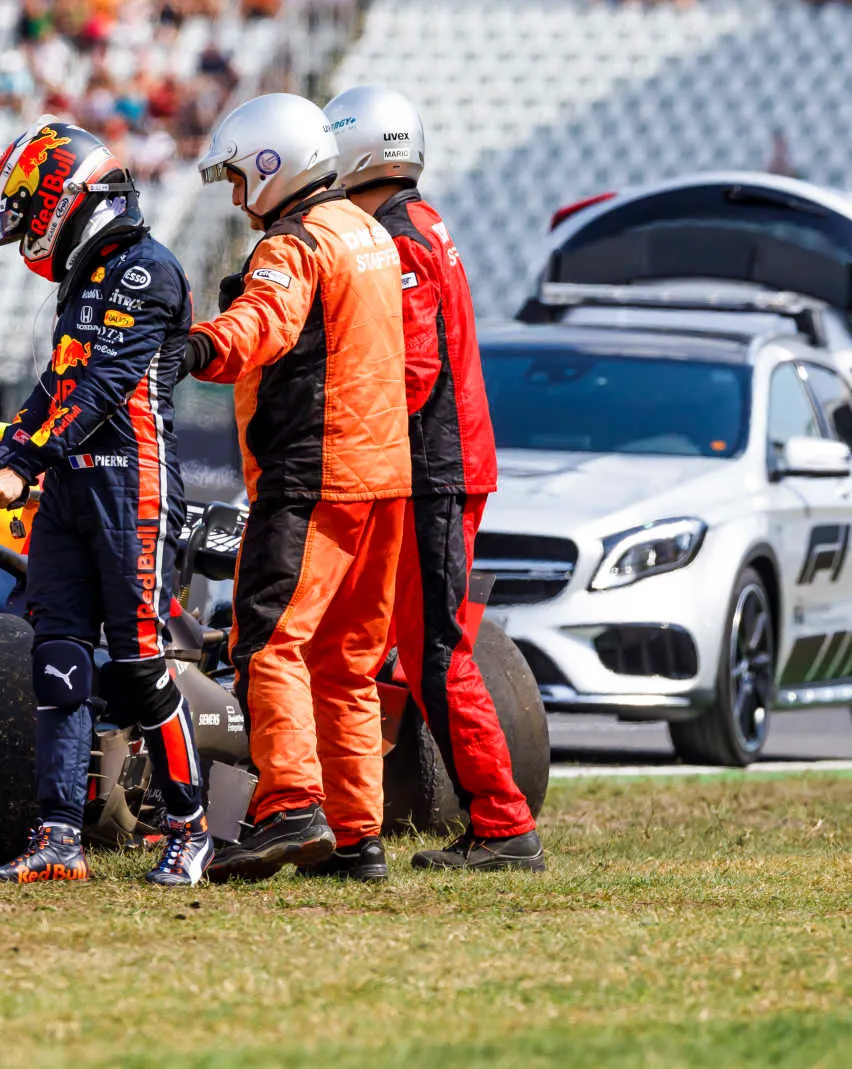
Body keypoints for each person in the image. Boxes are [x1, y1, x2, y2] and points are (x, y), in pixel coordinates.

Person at [0, 118, 208, 886]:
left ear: (64, 198)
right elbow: (58, 384)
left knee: (139, 665)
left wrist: (25, 465)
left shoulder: (147, 269)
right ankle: (57, 837)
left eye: (29, 213)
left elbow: (103, 388)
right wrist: (6, 458)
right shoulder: (87, 277)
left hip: (132, 487)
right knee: (58, 662)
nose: (27, 234)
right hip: (71, 487)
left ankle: (191, 828)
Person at [183, 93, 410, 883]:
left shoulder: (295, 241)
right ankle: (356, 836)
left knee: (267, 641)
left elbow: (265, 325)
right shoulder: (367, 231)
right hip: (385, 474)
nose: (237, 198)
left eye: (239, 177)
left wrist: (195, 348)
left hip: (314, 473)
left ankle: (289, 805)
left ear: (271, 165)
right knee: (347, 661)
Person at [324, 85, 543, 873]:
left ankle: (503, 823)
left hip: (431, 470)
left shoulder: (398, 237)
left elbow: (410, 372)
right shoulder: (421, 222)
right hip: (445, 464)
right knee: (422, 648)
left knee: (436, 652)